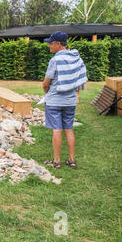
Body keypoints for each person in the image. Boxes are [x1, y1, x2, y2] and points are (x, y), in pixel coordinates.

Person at [42, 31, 87, 169]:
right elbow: (80, 79)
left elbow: (46, 83)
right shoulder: (76, 58)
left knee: (57, 130)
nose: (49, 45)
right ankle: (71, 160)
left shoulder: (55, 60)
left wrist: (47, 92)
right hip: (70, 101)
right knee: (69, 129)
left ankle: (56, 162)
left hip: (55, 101)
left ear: (58, 44)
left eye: (51, 43)